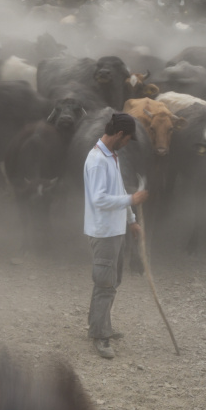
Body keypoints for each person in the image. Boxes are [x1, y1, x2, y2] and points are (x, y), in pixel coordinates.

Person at [84, 112, 149, 359]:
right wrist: (132, 199)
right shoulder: (97, 160)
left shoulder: (112, 156)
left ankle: (100, 325)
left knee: (112, 281)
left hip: (116, 230)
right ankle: (100, 337)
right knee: (105, 283)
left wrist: (131, 220)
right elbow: (99, 199)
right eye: (127, 138)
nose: (127, 143)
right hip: (103, 232)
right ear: (119, 134)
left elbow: (118, 189)